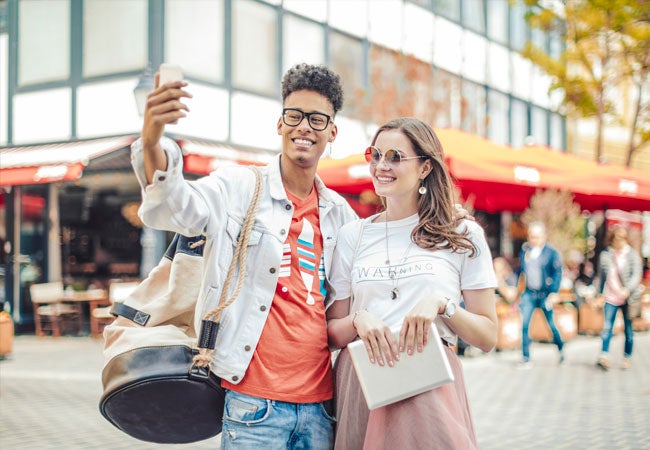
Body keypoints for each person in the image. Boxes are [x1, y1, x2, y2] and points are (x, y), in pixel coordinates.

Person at [132, 63, 358, 449]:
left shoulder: (341, 215)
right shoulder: (238, 187)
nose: (305, 126)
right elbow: (176, 207)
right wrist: (152, 140)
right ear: (280, 124)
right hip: (254, 405)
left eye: (318, 119)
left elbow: (345, 304)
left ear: (332, 131)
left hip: (321, 407)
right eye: (295, 115)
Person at [326, 117, 498, 449]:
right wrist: (359, 321)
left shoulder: (462, 233)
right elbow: (332, 332)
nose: (381, 166)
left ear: (424, 168)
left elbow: (488, 336)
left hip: (429, 385)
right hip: (364, 384)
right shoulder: (353, 236)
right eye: (375, 155)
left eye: (395, 156)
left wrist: (443, 305)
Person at [595, 225, 643, 370]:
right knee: (607, 326)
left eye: (622, 238)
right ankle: (604, 355)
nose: (620, 241)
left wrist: (627, 289)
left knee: (628, 329)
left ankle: (627, 356)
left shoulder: (632, 254)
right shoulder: (606, 255)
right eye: (617, 238)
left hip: (628, 297)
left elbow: (636, 274)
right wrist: (599, 294)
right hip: (611, 297)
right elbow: (601, 277)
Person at [517, 221, 564, 367]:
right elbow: (520, 271)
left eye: (536, 237)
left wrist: (554, 293)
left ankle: (561, 347)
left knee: (550, 324)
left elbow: (557, 273)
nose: (533, 239)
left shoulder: (551, 253)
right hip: (529, 293)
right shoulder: (525, 251)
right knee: (524, 324)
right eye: (531, 236)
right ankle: (526, 357)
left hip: (545, 293)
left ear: (543, 237)